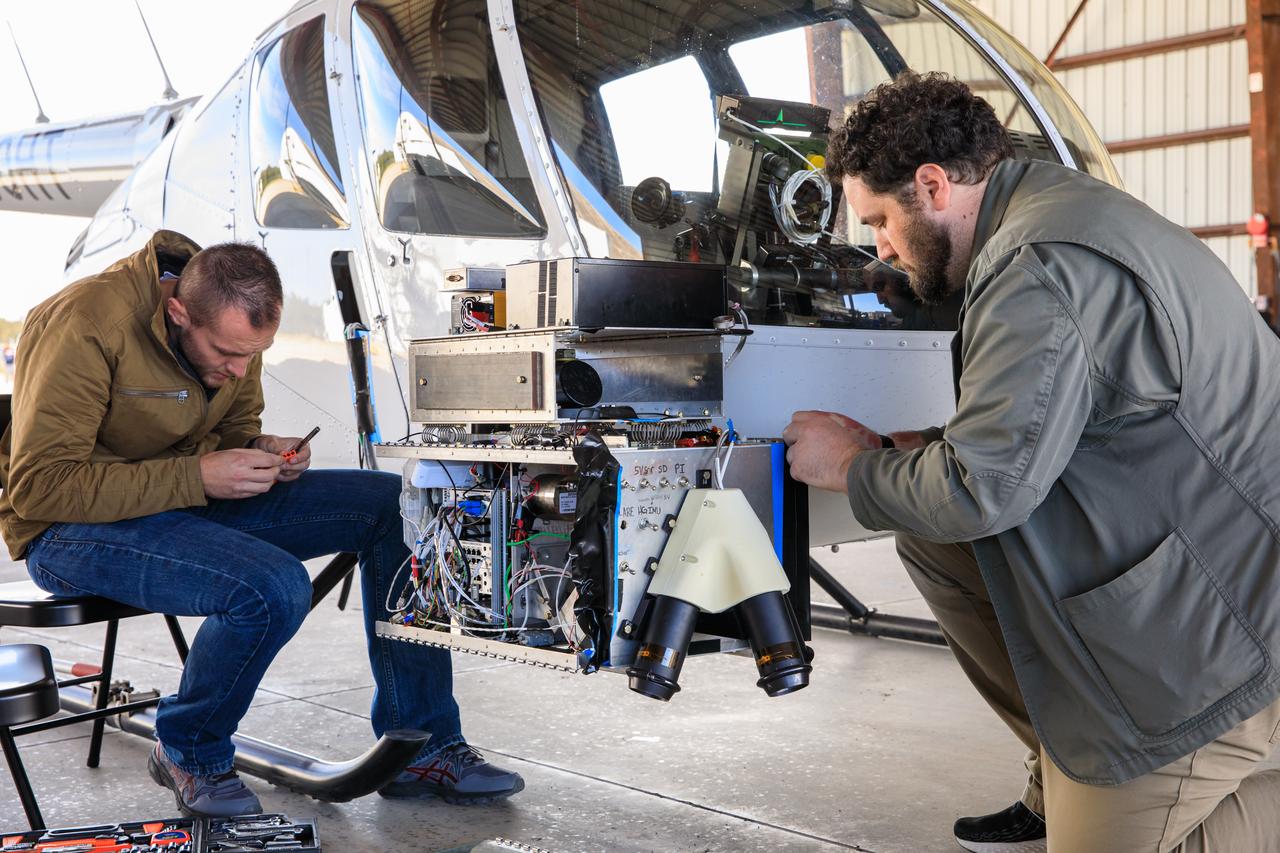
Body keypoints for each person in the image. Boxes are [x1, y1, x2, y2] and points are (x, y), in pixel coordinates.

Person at [782, 72, 1280, 852]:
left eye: (879, 220)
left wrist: (850, 464)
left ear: (933, 185)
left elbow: (985, 489)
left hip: (1223, 643)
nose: (878, 244)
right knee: (931, 535)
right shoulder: (1055, 207)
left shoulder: (1033, 265)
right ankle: (1062, 766)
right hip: (1224, 570)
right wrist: (917, 464)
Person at [0, 231, 523, 817]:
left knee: (396, 505)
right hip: (66, 529)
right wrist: (199, 476)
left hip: (180, 504)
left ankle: (421, 745)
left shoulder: (230, 325)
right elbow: (39, 486)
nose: (241, 367)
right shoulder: (85, 321)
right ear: (178, 313)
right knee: (270, 586)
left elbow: (226, 431)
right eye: (228, 354)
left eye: (254, 354)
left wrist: (261, 451)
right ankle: (189, 748)